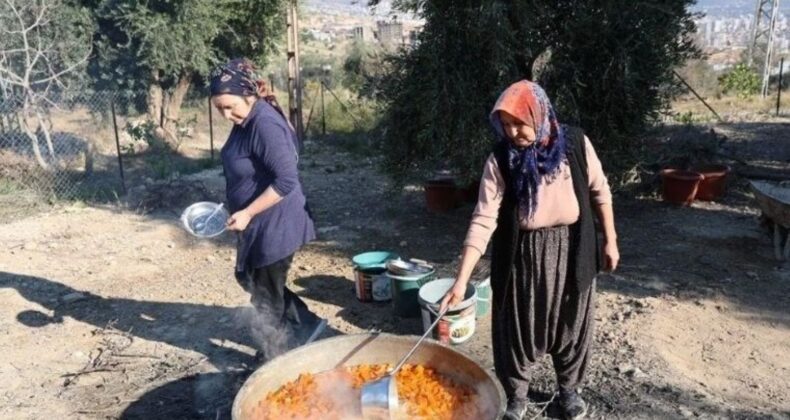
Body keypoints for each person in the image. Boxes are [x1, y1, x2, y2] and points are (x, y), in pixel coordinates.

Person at [440, 80, 619, 420]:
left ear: (540, 115)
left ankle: (568, 392)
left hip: (574, 248)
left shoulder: (576, 144)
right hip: (523, 256)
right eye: (505, 125)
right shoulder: (500, 160)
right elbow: (483, 219)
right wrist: (460, 281)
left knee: (572, 322)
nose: (512, 132)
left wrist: (610, 239)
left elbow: (601, 191)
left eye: (518, 123)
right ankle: (517, 398)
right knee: (518, 328)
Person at [209, 58, 326, 361]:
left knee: (265, 295)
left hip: (276, 222)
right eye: (219, 107)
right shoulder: (244, 119)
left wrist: (247, 211)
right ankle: (309, 327)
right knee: (251, 279)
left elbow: (286, 181)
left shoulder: (265, 123)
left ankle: (276, 356)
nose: (226, 114)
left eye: (230, 105)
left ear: (248, 94)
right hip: (257, 223)